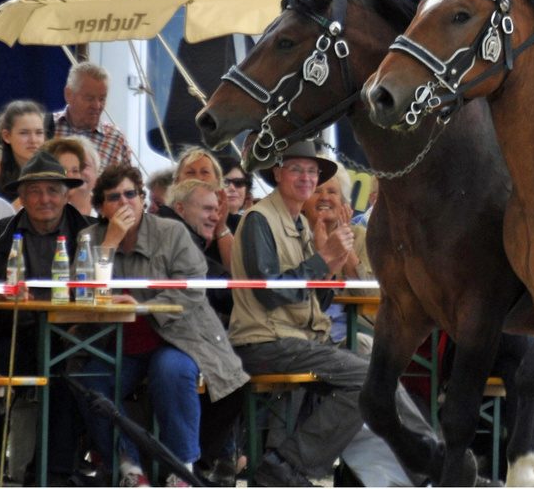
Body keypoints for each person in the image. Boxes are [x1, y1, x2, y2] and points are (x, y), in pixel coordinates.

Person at [228, 139, 436, 485]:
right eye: (298, 169)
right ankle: (288, 463)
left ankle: (433, 458)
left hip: (301, 340)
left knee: (376, 372)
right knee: (365, 378)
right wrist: (323, 261)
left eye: (312, 171)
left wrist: (330, 268)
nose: (307, 178)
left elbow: (317, 303)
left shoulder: (296, 222)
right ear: (278, 173)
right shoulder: (259, 219)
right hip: (265, 342)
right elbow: (270, 294)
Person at [77, 165, 249, 488]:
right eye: (114, 197)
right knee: (88, 382)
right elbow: (85, 294)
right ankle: (128, 467)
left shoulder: (171, 232)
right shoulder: (90, 238)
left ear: (143, 199)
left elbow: (193, 285)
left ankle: (181, 469)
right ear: (100, 207)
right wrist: (110, 244)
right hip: (119, 344)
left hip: (178, 337)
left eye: (131, 194)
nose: (125, 202)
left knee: (170, 371)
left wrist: (143, 306)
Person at [0, 152, 93, 485]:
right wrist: (1, 293)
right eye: (35, 192)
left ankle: (52, 475)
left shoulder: (89, 233)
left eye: (53, 190)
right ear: (22, 197)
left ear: (67, 195)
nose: (45, 199)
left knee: (71, 379)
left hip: (73, 334)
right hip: (14, 332)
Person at [308, 170, 374, 352]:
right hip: (308, 332)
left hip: (355, 331)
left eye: (332, 192)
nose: (324, 198)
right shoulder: (297, 235)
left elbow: (370, 296)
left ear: (344, 203)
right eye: (316, 191)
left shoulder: (362, 237)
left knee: (362, 344)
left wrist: (346, 246)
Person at [168, 177, 235, 323]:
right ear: (180, 209)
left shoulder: (172, 232)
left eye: (217, 210)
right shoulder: (175, 239)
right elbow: (227, 294)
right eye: (207, 209)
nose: (216, 217)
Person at [51, 62, 133, 175]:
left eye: (102, 99)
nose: (97, 106)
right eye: (89, 98)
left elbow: (128, 187)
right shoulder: (45, 128)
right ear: (68, 94)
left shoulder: (115, 140)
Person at [0, 99, 47, 197]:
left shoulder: (55, 172)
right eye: (24, 133)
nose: (33, 140)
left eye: (39, 133)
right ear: (6, 136)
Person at [44, 136, 98, 215]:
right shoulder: (42, 209)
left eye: (85, 166)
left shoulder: (107, 208)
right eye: (65, 169)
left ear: (97, 173)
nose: (80, 172)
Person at [220, 158, 251, 232]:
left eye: (238, 182)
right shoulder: (204, 223)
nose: (232, 188)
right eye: (224, 182)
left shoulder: (252, 225)